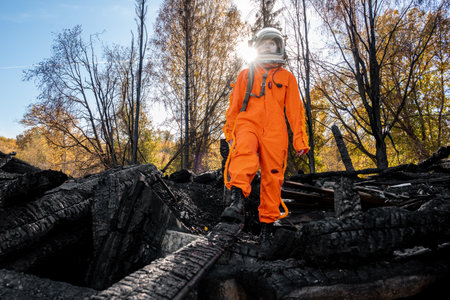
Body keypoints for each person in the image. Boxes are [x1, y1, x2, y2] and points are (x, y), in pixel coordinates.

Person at [221, 27, 309, 247]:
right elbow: (234, 106)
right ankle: (237, 201)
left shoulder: (287, 77)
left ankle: (267, 230)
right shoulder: (246, 74)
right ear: (257, 46)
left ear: (279, 47)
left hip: (275, 131)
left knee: (273, 177)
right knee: (244, 153)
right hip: (248, 122)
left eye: (273, 43)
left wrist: (299, 140)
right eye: (265, 43)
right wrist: (230, 132)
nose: (269, 47)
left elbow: (295, 111)